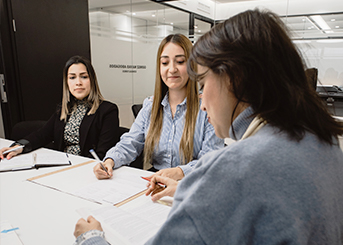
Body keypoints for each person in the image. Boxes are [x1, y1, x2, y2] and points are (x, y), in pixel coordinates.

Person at [74, 9, 343, 244]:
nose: (203, 103)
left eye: (203, 82)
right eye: (165, 62)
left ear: (235, 78)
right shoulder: (323, 140)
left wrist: (91, 238)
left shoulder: (237, 169)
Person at [93, 33, 223, 180]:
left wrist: (180, 172)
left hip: (191, 184)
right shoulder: (150, 106)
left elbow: (210, 159)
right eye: (165, 63)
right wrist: (110, 160)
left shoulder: (207, 108)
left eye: (180, 62)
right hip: (155, 181)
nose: (172, 69)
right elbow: (130, 143)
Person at [0, 56, 120, 160]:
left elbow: (103, 152)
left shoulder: (107, 110)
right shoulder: (64, 109)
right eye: (72, 77)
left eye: (84, 77)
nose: (78, 82)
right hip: (62, 165)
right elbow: (42, 135)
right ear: (67, 82)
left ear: (92, 80)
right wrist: (19, 147)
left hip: (88, 169)